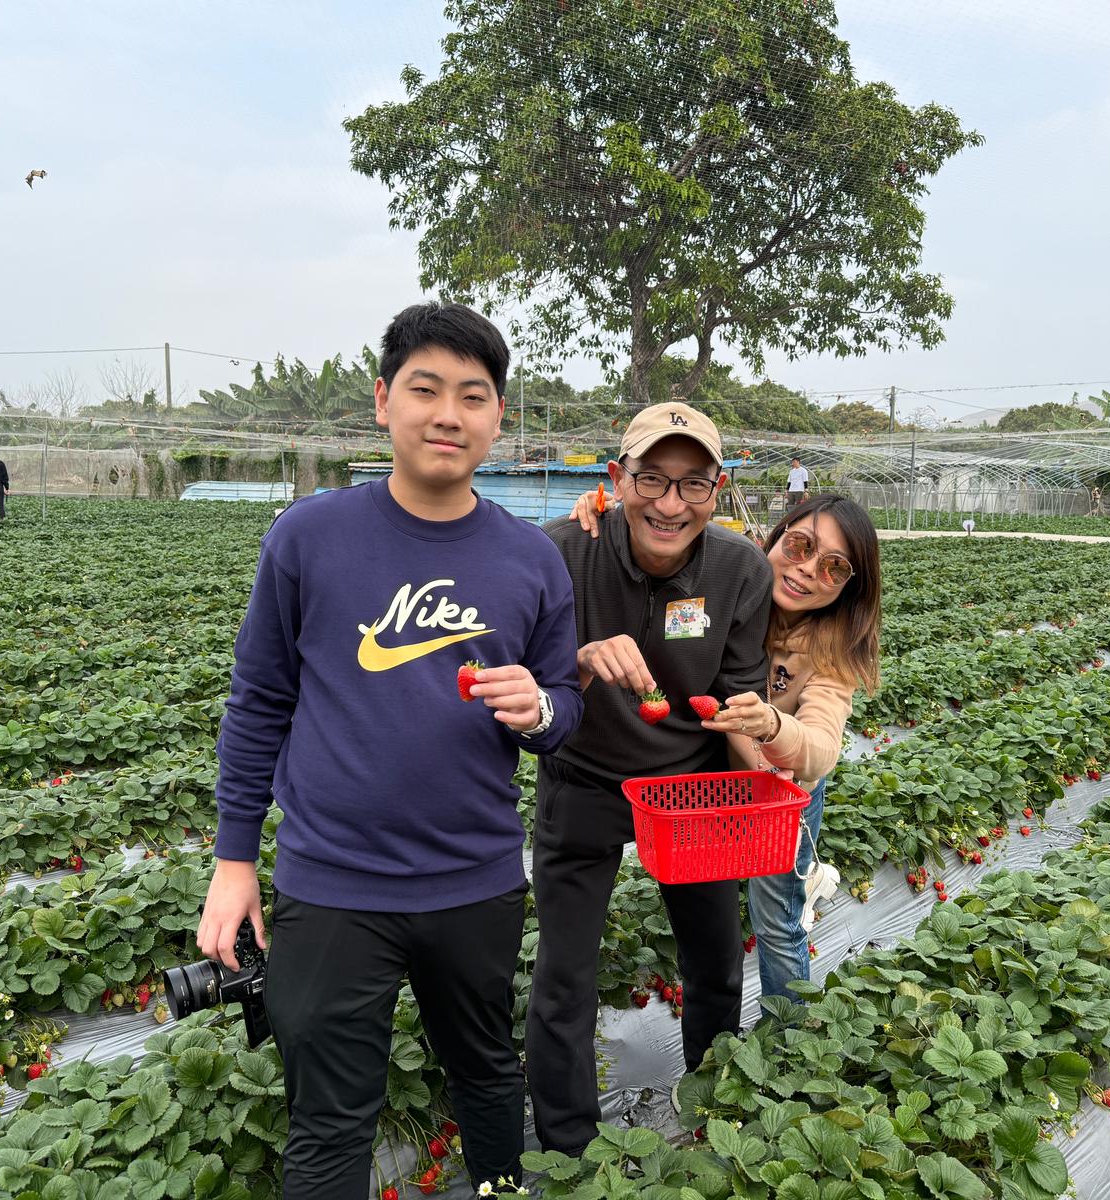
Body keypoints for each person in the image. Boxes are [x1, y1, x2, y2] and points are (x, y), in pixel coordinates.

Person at [198, 302, 583, 1199]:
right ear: (383, 401)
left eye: (473, 396)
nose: (448, 414)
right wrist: (233, 859)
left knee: (486, 1073)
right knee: (330, 1120)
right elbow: (259, 702)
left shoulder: (532, 560)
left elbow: (565, 709)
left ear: (498, 417)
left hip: (475, 882)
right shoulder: (309, 537)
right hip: (333, 883)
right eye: (425, 389)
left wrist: (538, 711)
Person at [529, 401, 773, 1156]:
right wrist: (576, 660)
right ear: (616, 478)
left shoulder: (740, 569)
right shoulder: (560, 552)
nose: (670, 504)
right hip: (584, 774)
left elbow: (737, 699)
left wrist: (763, 789)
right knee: (564, 976)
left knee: (716, 959)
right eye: (651, 480)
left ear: (718, 488)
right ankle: (569, 1153)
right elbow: (521, 678)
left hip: (691, 784)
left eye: (693, 483)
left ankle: (716, 1115)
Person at [567, 491, 882, 1002]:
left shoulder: (831, 653)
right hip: (712, 774)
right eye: (800, 546)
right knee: (711, 909)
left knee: (775, 920)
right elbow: (672, 520)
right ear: (775, 537)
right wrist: (610, 506)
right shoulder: (732, 578)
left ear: (850, 586)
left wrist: (771, 725)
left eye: (834, 567)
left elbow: (822, 749)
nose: (807, 569)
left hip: (779, 793)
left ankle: (789, 1030)